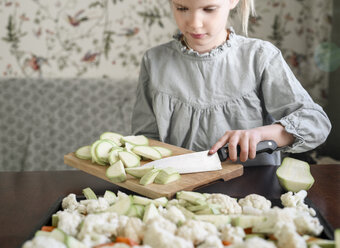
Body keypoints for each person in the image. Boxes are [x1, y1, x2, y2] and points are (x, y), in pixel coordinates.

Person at [131, 0, 331, 166]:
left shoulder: (261, 56)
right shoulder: (153, 60)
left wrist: (262, 134)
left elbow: (316, 124)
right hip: (178, 190)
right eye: (182, 8)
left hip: (253, 188)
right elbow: (145, 138)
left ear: (232, 2)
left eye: (208, 9)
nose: (194, 23)